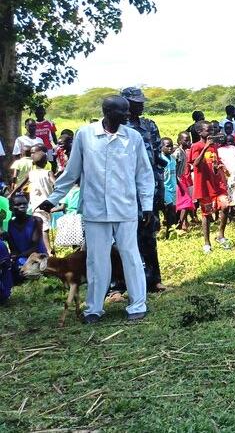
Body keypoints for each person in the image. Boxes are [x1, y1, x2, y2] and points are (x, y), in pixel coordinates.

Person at [40, 95, 155, 322]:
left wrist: (148, 204)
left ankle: (137, 304)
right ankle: (93, 308)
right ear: (107, 112)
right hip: (95, 209)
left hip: (126, 208)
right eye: (123, 112)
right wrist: (52, 199)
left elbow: (144, 173)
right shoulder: (85, 135)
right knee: (96, 259)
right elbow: (72, 171)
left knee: (130, 255)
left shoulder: (133, 138)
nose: (127, 115)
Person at [122, 86, 166, 293]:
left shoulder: (149, 126)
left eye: (141, 101)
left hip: (147, 190)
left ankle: (153, 279)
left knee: (148, 235)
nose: (140, 104)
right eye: (135, 101)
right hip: (124, 191)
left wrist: (159, 191)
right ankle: (118, 286)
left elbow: (158, 160)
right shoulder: (118, 127)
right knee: (122, 238)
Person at [160, 138, 178, 236]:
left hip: (173, 188)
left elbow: (174, 174)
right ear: (161, 147)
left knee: (173, 210)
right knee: (169, 208)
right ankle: (168, 231)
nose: (170, 148)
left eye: (171, 146)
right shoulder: (160, 159)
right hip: (165, 188)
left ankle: (171, 229)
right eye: (167, 146)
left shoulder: (173, 159)